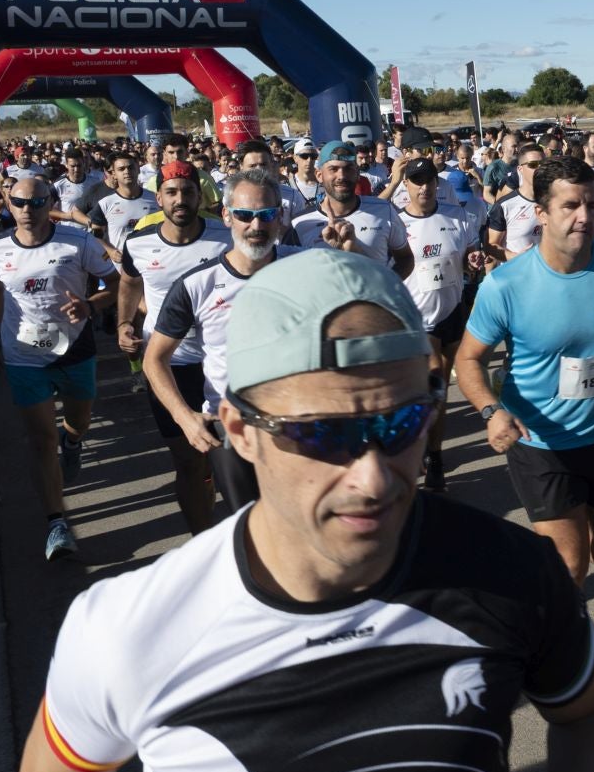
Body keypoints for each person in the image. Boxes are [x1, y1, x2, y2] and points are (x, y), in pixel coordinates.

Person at [17, 248, 594, 772]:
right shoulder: (130, 625)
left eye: (401, 423)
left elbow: (593, 711)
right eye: (321, 434)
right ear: (240, 430)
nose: (371, 478)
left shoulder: (512, 570)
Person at [456, 156, 594, 586]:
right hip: (541, 444)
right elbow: (468, 359)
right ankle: (564, 641)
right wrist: (491, 411)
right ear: (541, 213)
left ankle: (533, 574)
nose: (585, 217)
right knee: (571, 566)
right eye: (570, 206)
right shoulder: (505, 285)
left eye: (590, 204)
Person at [146, 170, 299, 516]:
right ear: (227, 215)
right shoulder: (196, 284)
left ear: (280, 217)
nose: (256, 226)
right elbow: (154, 359)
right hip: (231, 427)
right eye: (245, 215)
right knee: (249, 527)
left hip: (300, 421)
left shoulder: (307, 267)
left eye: (266, 215)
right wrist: (184, 417)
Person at [0, 175, 118, 561]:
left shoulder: (79, 242)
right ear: (8, 204)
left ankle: (73, 442)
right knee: (41, 440)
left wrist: (91, 306)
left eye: (37, 203)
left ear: (51, 203)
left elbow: (115, 283)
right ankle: (56, 523)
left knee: (77, 423)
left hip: (74, 350)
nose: (28, 210)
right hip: (23, 355)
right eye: (20, 203)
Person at [118, 162, 233, 535]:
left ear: (200, 196)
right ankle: (202, 541)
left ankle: (238, 540)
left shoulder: (226, 237)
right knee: (187, 461)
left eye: (187, 192)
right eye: (172, 193)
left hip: (222, 364)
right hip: (168, 366)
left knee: (227, 461)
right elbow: (130, 285)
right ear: (159, 199)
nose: (180, 200)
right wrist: (124, 324)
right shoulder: (138, 242)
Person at [394, 157, 484, 491]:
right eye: (417, 180)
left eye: (429, 180)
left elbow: (470, 255)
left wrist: (473, 259)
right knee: (432, 386)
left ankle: (433, 455)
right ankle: (423, 456)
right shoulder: (397, 222)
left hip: (452, 314)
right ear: (406, 185)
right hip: (417, 320)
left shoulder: (458, 215)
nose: (424, 187)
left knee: (439, 394)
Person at [291, 142, 414, 278]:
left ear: (357, 173)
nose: (342, 176)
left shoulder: (384, 210)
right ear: (319, 175)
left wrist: (387, 288)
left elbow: (406, 258)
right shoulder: (299, 223)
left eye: (349, 168)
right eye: (333, 169)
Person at [485, 143, 546, 261]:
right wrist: (516, 258)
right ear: (520, 169)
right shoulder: (504, 205)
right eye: (533, 165)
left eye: (543, 164)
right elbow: (491, 245)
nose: (539, 169)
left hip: (548, 274)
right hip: (516, 274)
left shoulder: (554, 200)